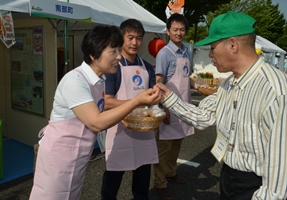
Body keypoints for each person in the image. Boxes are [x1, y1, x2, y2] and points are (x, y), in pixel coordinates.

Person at [156, 12, 287, 200]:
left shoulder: (276, 92)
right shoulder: (228, 83)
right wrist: (168, 98)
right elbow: (204, 116)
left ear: (233, 45)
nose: (210, 54)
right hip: (228, 175)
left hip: (257, 186)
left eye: (213, 47)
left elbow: (278, 175)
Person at [29, 25, 161, 200]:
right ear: (93, 54)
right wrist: (137, 101)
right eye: (113, 52)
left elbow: (103, 113)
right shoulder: (75, 81)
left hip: (78, 157)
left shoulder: (99, 80)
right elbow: (96, 122)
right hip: (59, 157)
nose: (119, 57)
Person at [101, 19, 158, 200]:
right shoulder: (114, 68)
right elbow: (107, 102)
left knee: (143, 175)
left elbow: (152, 98)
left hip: (144, 128)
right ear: (122, 38)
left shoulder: (147, 67)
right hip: (120, 128)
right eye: (130, 37)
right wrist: (136, 101)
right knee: (114, 174)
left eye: (139, 38)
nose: (135, 43)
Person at [153, 13, 197, 200]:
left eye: (182, 30)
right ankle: (159, 183)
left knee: (177, 143)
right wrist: (163, 107)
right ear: (168, 31)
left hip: (184, 106)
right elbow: (158, 82)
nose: (179, 33)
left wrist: (200, 86)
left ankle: (171, 172)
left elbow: (188, 77)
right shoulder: (164, 53)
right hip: (170, 107)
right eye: (175, 29)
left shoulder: (186, 51)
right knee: (163, 147)